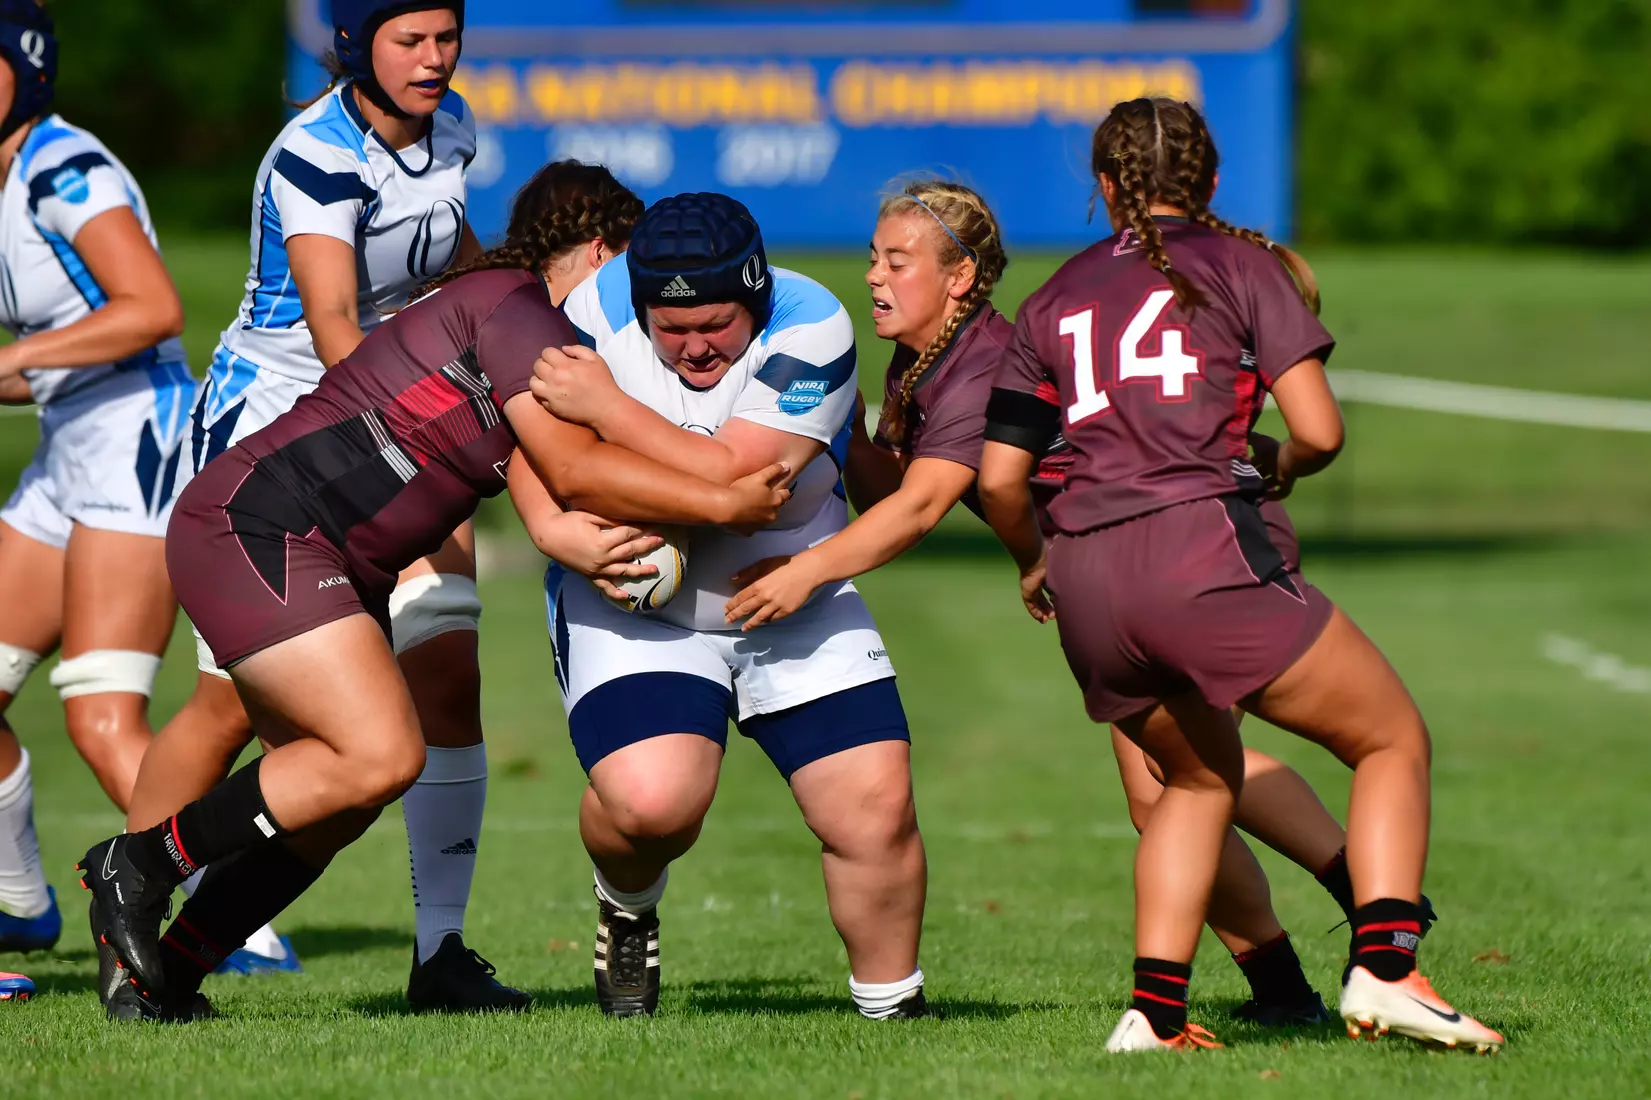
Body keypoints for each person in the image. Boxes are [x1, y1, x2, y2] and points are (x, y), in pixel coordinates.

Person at [76, 210, 793, 1023]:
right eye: (637, 278)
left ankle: (171, 975)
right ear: (599, 252)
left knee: (341, 799)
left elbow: (556, 488)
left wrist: (616, 520)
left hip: (330, 560)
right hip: (263, 526)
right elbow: (573, 469)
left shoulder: (544, 362)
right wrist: (721, 498)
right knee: (379, 754)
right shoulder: (517, 307)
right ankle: (139, 864)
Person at [726, 177, 1394, 1027]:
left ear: (960, 277)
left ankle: (1361, 917)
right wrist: (842, 428)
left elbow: (923, 507)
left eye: (897, 261)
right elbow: (891, 489)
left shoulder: (978, 367)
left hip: (1188, 546)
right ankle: (1299, 977)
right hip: (1131, 563)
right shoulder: (922, 362)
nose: (873, 277)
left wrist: (807, 570)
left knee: (1182, 779)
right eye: (872, 258)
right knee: (1173, 782)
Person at [975, 97, 1502, 1052]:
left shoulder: (1052, 297)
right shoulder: (1241, 264)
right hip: (1198, 550)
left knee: (1194, 779)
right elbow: (1319, 432)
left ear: (1104, 187)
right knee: (1388, 738)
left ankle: (1154, 1016)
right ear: (1210, 182)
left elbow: (1002, 480)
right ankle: (1387, 970)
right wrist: (1282, 466)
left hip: (1087, 576)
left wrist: (1032, 562)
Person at [118, 0, 516, 1006]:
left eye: (446, 36)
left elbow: (453, 262)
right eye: (409, 40)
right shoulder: (317, 153)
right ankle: (133, 937)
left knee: (447, 665)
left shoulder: (452, 126)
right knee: (230, 709)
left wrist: (516, 316)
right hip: (278, 436)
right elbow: (337, 324)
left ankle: (440, 952)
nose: (435, 58)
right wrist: (443, 427)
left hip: (400, 427)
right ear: (351, 44)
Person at [524, 193, 929, 1021]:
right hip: (637, 604)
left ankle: (892, 1008)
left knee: (873, 806)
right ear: (639, 304)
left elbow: (735, 480)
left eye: (716, 324)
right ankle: (625, 907)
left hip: (795, 586)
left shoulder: (812, 324)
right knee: (651, 806)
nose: (696, 346)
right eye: (671, 330)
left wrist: (608, 412)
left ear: (756, 297)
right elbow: (531, 438)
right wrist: (549, 526)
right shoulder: (589, 312)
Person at [0, 0, 193, 959]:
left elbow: (152, 306)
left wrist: (15, 359)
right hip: (68, 441)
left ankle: (239, 913)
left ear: (24, 67)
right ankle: (19, 901)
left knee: (101, 715)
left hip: (135, 437)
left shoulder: (60, 164)